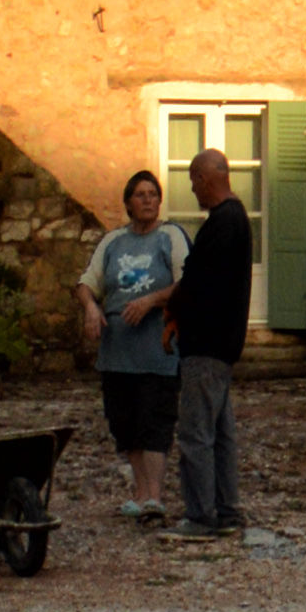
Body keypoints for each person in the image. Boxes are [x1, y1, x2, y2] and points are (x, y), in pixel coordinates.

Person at [163, 144, 259, 540]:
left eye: (193, 181)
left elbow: (198, 282)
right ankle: (227, 510)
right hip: (222, 343)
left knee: (196, 433)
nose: (192, 190)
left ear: (205, 179)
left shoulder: (223, 223)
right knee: (220, 433)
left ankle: (201, 516)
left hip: (206, 343)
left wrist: (173, 314)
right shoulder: (235, 220)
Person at [79, 169, 186, 520]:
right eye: (140, 195)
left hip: (157, 350)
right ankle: (139, 494)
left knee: (154, 421)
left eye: (153, 194)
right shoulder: (113, 241)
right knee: (124, 424)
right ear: (128, 203)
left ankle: (155, 496)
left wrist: (151, 300)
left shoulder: (170, 236)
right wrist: (91, 307)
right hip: (117, 352)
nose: (148, 200)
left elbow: (187, 282)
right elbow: (87, 283)